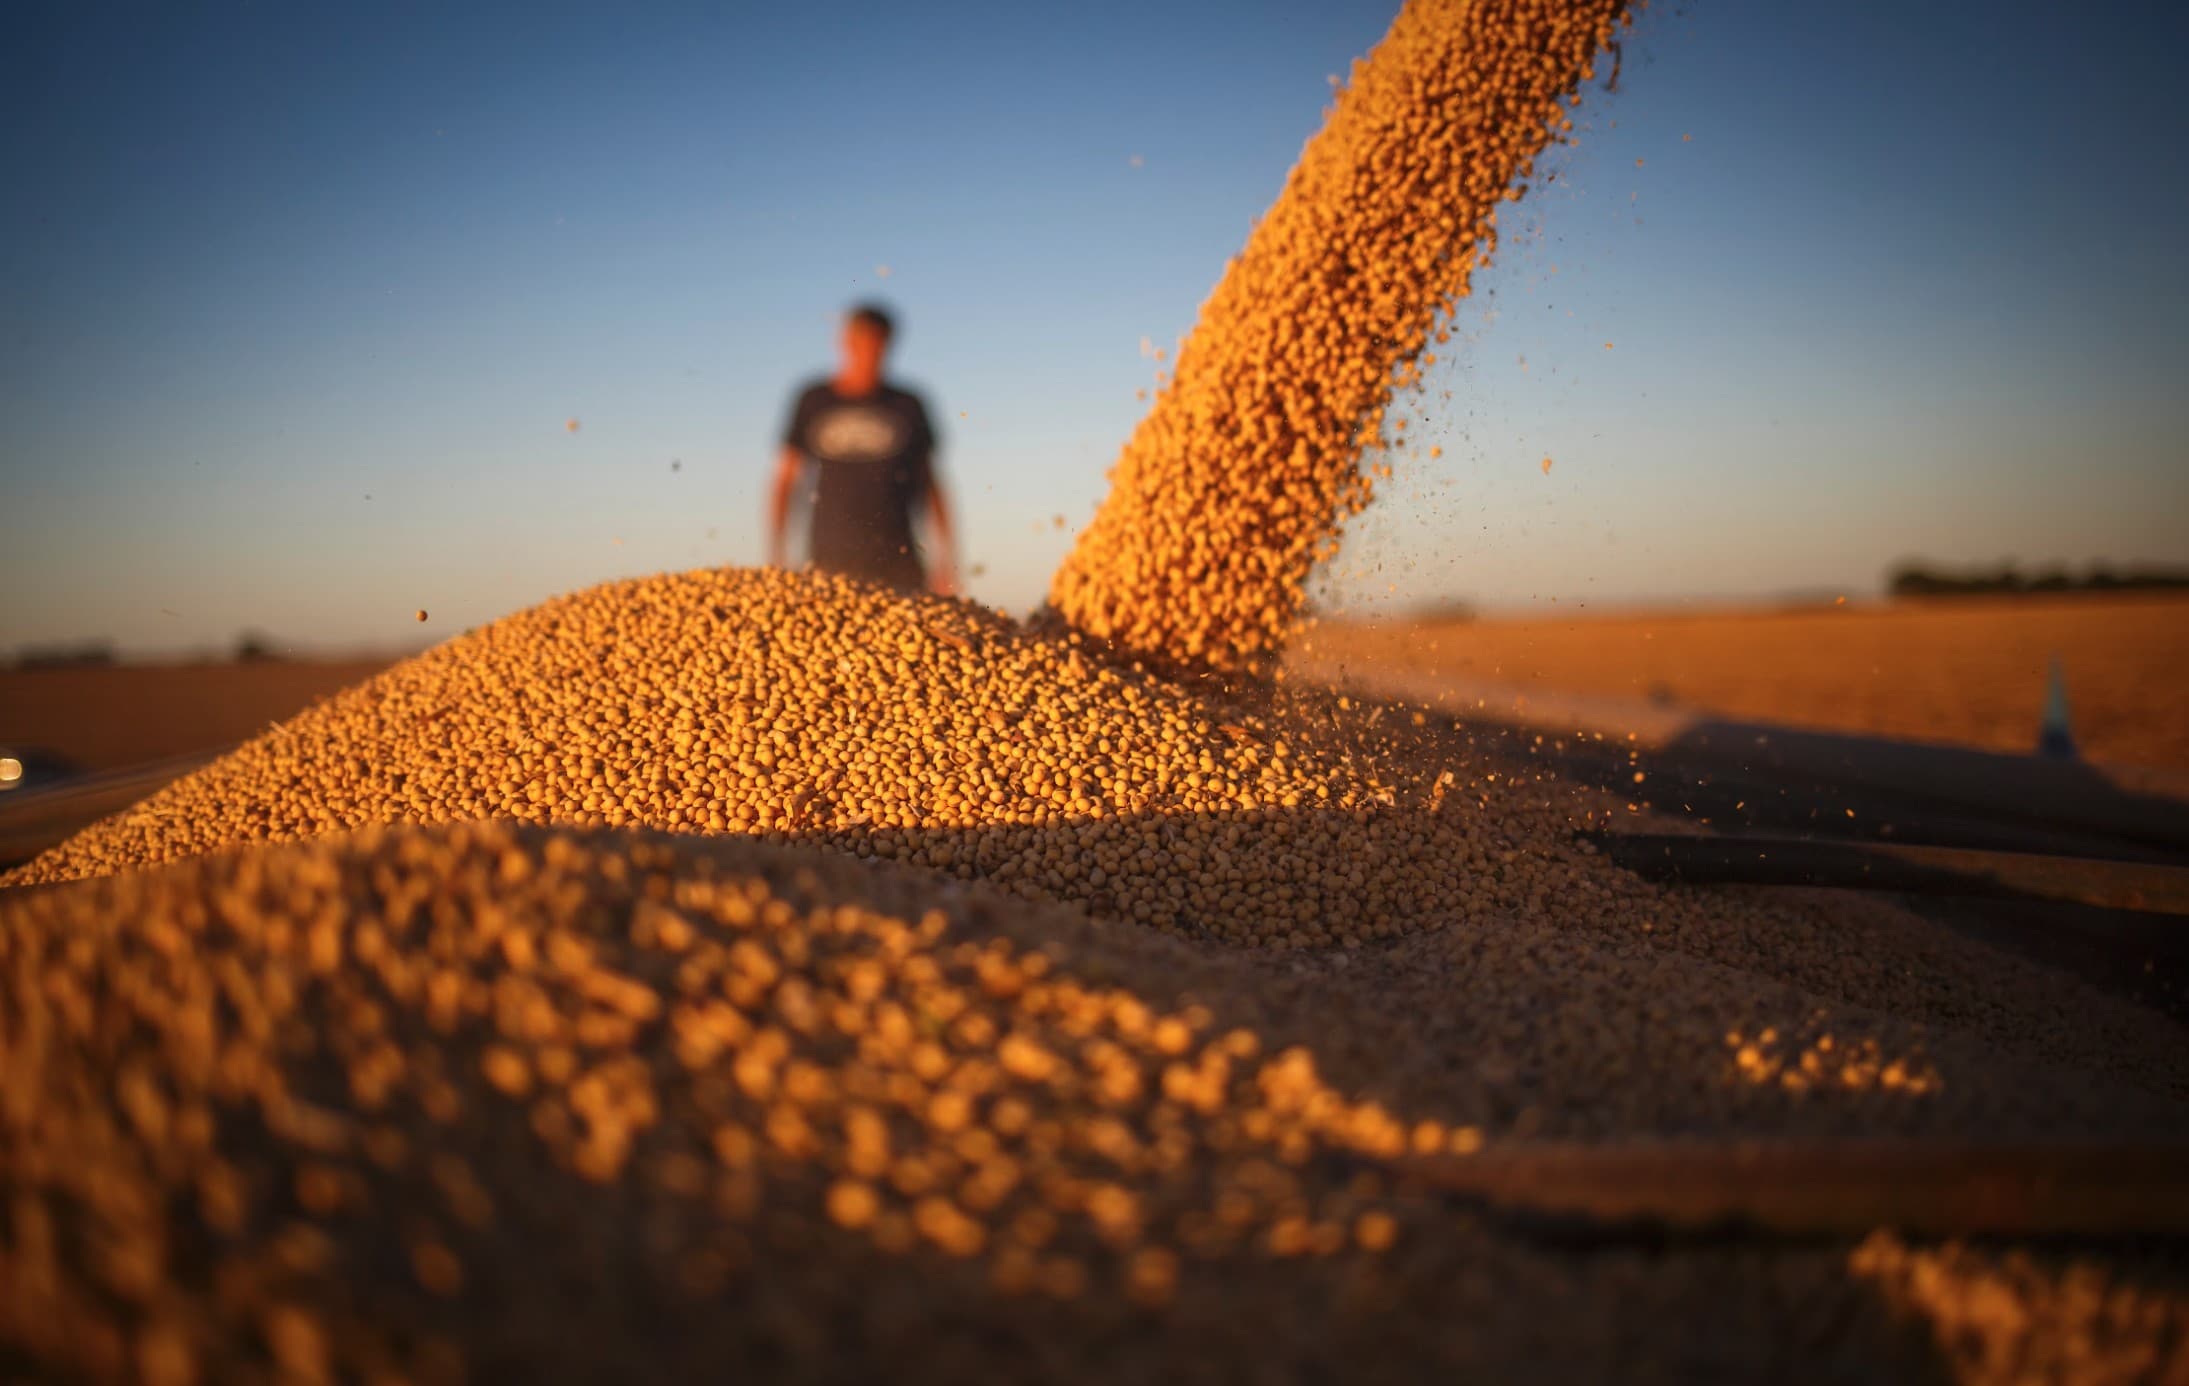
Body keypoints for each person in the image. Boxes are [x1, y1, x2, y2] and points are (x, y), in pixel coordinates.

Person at [768, 303, 958, 596]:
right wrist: (777, 554)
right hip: (829, 560)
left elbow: (932, 484)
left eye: (876, 347)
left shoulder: (908, 404)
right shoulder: (813, 400)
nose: (868, 356)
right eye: (860, 345)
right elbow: (785, 480)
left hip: (900, 559)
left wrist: (946, 560)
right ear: (843, 343)